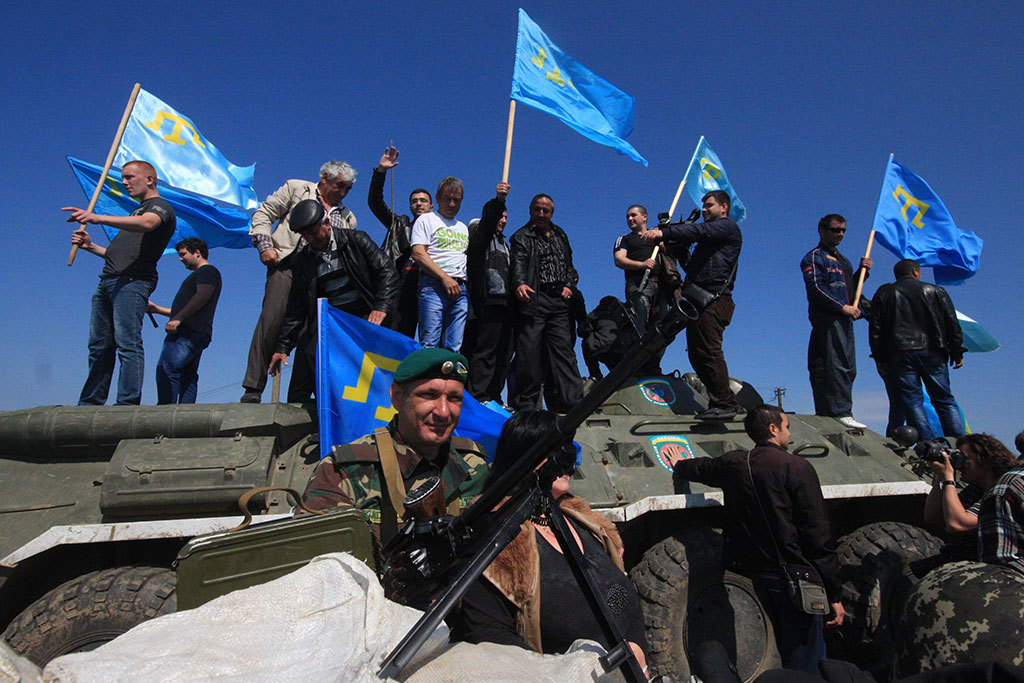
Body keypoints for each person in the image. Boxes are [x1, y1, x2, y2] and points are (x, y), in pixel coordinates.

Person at [450, 409, 649, 672]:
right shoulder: (496, 537)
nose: (567, 460)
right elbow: (490, 637)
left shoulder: (583, 522)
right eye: (553, 450)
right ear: (521, 457)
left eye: (567, 449)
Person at [668, 404, 845, 674]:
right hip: (799, 578)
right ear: (773, 429)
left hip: (760, 577)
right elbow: (818, 535)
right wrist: (833, 593)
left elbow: (703, 468)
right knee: (807, 658)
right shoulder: (798, 467)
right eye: (786, 426)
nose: (789, 431)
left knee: (784, 648)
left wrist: (679, 464)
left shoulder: (735, 463)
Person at [301, 347, 488, 546]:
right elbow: (313, 557)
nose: (443, 412)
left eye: (454, 398)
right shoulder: (344, 471)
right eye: (429, 395)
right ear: (397, 397)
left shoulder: (474, 466)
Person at [241, 161, 358, 403]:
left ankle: (300, 394)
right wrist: (265, 247)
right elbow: (263, 214)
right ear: (324, 178)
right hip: (286, 265)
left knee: (310, 334)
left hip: (320, 276)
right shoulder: (296, 189)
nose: (343, 193)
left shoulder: (348, 217)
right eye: (339, 186)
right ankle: (253, 388)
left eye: (347, 189)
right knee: (272, 321)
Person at [64, 160, 176, 406]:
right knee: (99, 346)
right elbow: (122, 255)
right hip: (109, 280)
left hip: (132, 282)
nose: (124, 182)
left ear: (149, 179)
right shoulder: (136, 211)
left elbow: (148, 223)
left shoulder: (159, 207)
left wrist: (96, 218)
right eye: (123, 178)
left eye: (129, 177)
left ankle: (126, 405)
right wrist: (91, 246)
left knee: (127, 343)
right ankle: (90, 403)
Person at [268, 200, 397, 403]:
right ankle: (315, 412)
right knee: (310, 352)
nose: (311, 239)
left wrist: (381, 307)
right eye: (305, 235)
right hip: (334, 320)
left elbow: (387, 271)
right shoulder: (303, 260)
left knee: (366, 362)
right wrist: (283, 347)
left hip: (365, 314)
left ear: (326, 223)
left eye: (313, 232)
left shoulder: (356, 240)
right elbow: (296, 308)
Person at [642, 191, 742, 420]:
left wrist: (664, 231)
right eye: (703, 206)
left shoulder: (727, 227)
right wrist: (675, 249)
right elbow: (694, 269)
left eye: (709, 206)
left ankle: (724, 403)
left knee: (708, 351)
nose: (704, 210)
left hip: (714, 301)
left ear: (724, 207)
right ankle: (723, 401)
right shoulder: (711, 241)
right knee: (697, 354)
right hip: (700, 299)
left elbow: (698, 231)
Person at [869, 259, 966, 440]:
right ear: (916, 272)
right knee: (944, 399)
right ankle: (958, 442)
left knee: (913, 401)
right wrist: (957, 351)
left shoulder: (885, 293)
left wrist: (879, 358)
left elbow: (876, 329)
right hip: (933, 350)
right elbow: (951, 323)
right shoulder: (936, 291)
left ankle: (928, 444)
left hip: (900, 353)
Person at [508, 193, 584, 413]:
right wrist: (520, 284)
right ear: (530, 210)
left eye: (546, 210)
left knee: (564, 354)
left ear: (552, 212)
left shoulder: (561, 234)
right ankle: (527, 407)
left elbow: (569, 264)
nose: (541, 214)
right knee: (529, 354)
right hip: (534, 300)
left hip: (559, 302)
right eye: (537, 210)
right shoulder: (522, 236)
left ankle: (573, 403)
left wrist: (569, 284)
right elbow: (518, 264)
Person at [800, 214, 872, 429]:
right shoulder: (814, 257)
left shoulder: (843, 260)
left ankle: (832, 410)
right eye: (835, 230)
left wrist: (863, 272)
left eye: (843, 230)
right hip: (828, 318)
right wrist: (841, 307)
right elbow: (816, 288)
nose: (840, 234)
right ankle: (840, 411)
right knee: (836, 364)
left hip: (844, 318)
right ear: (822, 231)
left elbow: (850, 289)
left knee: (842, 365)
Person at [924, 434, 1023, 574]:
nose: (960, 464)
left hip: (990, 571)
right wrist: (941, 476)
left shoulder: (1002, 490)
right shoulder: (975, 490)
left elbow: (958, 524)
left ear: (986, 460)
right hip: (963, 561)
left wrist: (948, 479)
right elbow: (933, 517)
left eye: (964, 458)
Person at [367, 146, 434, 338]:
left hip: (430, 287)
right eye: (414, 201)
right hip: (403, 286)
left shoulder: (441, 230)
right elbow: (375, 203)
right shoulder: (400, 224)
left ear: (431, 206)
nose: (418, 203)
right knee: (395, 336)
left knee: (428, 339)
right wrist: (381, 172)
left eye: (423, 200)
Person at [146, 238, 222, 404]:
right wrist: (157, 309)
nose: (180, 258)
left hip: (187, 333)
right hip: (196, 331)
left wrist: (179, 319)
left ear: (197, 253)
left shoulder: (206, 271)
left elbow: (203, 296)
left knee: (167, 368)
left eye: (183, 254)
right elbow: (193, 307)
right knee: (187, 376)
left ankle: (165, 415)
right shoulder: (205, 274)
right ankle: (184, 417)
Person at [465, 182, 513, 404]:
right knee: (485, 351)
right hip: (487, 303)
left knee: (503, 354)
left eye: (505, 216)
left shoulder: (506, 246)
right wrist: (499, 200)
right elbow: (485, 226)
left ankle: (494, 397)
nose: (502, 220)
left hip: (508, 305)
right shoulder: (480, 242)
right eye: (498, 216)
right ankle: (478, 397)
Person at [410, 177, 470, 351]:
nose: (451, 204)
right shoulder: (426, 220)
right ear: (437, 198)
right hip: (433, 286)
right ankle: (427, 378)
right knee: (429, 344)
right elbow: (418, 253)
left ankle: (448, 378)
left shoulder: (462, 227)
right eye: (447, 199)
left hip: (461, 288)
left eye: (456, 200)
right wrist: (444, 277)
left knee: (454, 346)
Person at [614, 204, 681, 337]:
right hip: (638, 284)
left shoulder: (657, 235)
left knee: (661, 326)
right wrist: (641, 265)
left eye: (633, 215)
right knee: (639, 322)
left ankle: (654, 356)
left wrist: (663, 246)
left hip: (661, 286)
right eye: (628, 216)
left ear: (645, 217)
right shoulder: (624, 239)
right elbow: (619, 260)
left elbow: (675, 255)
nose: (630, 219)